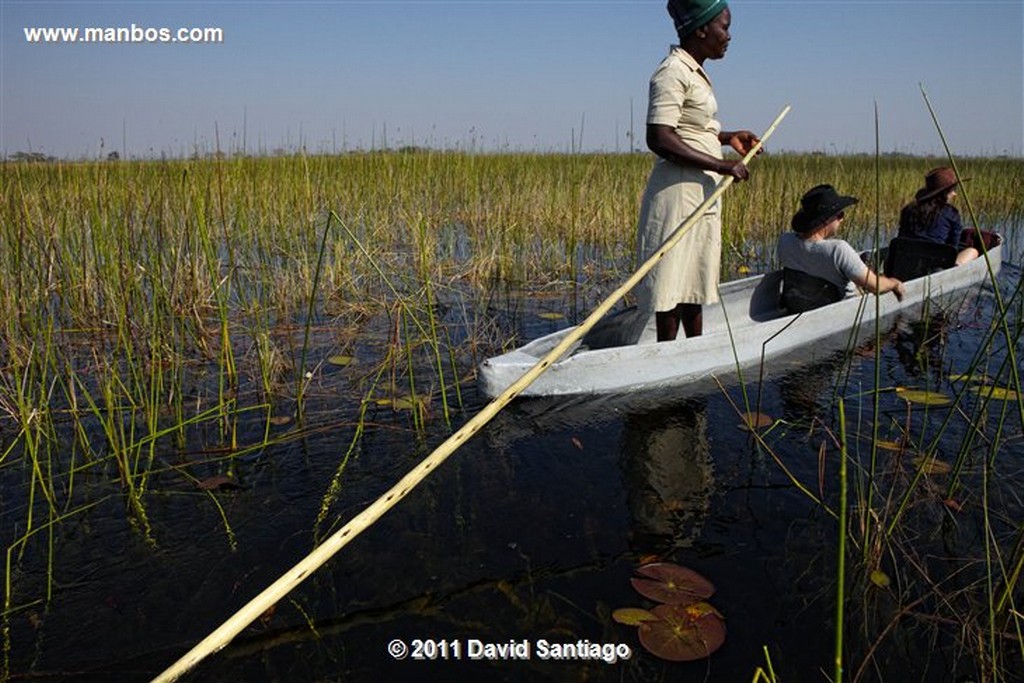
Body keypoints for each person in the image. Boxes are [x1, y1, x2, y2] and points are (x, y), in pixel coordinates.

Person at [634, 0, 761, 342]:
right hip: (677, 194)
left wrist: (727, 137)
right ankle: (667, 355)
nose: (729, 36)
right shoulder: (672, 71)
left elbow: (692, 128)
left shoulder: (695, 73)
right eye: (725, 27)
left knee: (692, 278)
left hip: (697, 191)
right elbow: (659, 137)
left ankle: (696, 349)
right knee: (671, 283)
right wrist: (722, 165)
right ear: (702, 29)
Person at [778, 184, 905, 312]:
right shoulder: (838, 249)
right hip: (839, 309)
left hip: (798, 305)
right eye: (840, 215)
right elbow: (876, 287)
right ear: (826, 220)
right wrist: (894, 282)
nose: (842, 219)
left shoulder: (785, 240)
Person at [897, 166, 979, 265]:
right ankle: (954, 270)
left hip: (905, 262)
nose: (955, 194)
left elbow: (900, 238)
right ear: (944, 192)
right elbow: (953, 247)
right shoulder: (951, 213)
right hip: (934, 264)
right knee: (973, 251)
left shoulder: (908, 209)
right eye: (952, 190)